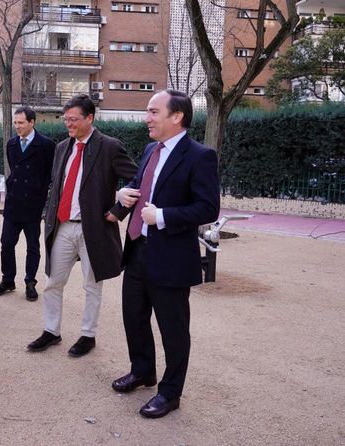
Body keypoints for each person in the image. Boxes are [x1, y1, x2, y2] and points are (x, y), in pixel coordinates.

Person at [111, 89, 220, 419]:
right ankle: (143, 371)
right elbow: (140, 182)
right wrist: (122, 197)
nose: (147, 118)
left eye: (153, 112)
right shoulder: (149, 149)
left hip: (171, 256)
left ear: (177, 117)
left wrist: (163, 217)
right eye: (148, 112)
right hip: (138, 250)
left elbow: (208, 207)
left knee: (173, 329)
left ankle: (170, 393)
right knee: (134, 316)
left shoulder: (200, 156)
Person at [27, 94, 137, 357]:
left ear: (90, 118)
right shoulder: (62, 147)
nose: (69, 124)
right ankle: (51, 331)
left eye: (74, 119)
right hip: (62, 226)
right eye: (66, 120)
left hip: (94, 229)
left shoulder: (110, 146)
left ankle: (88, 335)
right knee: (52, 282)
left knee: (91, 284)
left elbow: (139, 179)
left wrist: (118, 210)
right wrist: (48, 212)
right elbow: (58, 185)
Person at [0, 106, 55, 301]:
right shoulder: (11, 144)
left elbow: (51, 174)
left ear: (32, 122)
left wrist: (42, 196)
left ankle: (30, 282)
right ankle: (8, 279)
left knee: (32, 246)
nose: (17, 126)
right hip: (13, 204)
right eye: (15, 123)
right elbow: (14, 171)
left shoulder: (47, 145)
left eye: (21, 123)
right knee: (6, 244)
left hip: (34, 205)